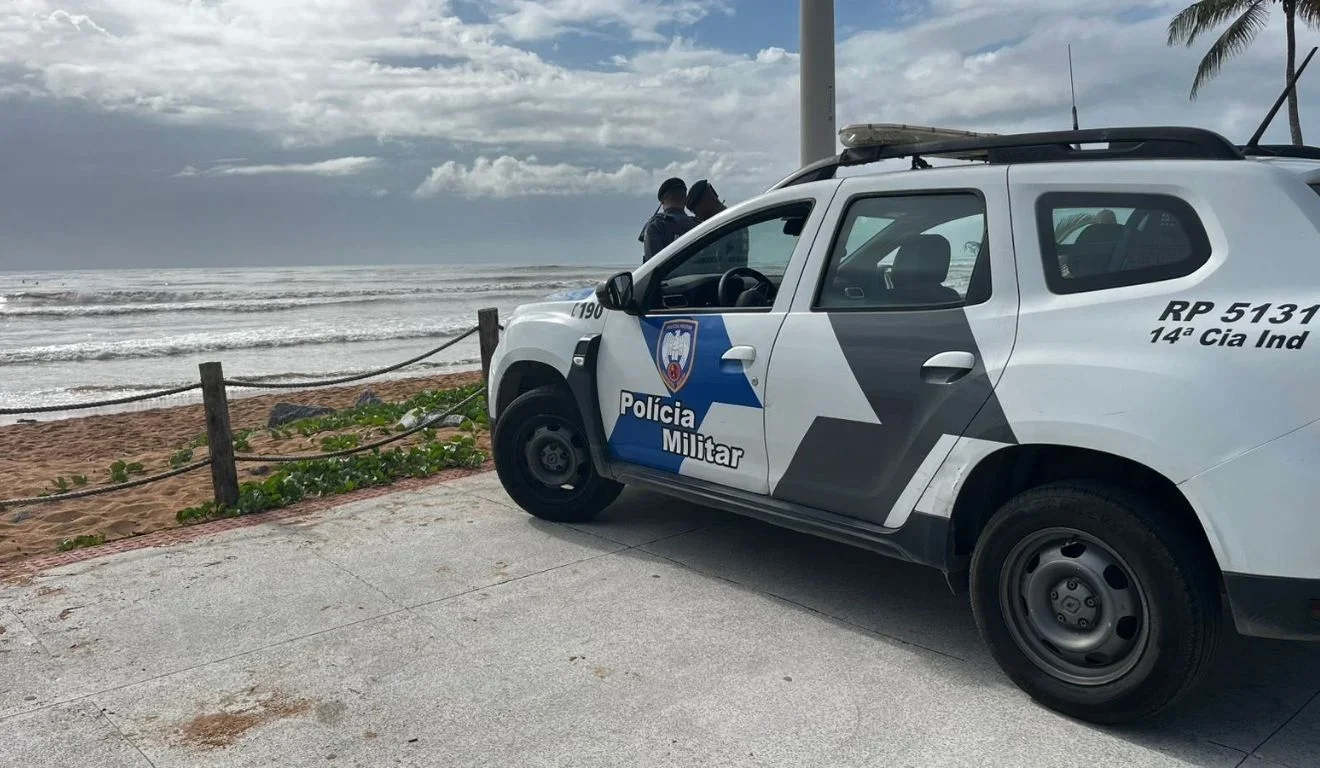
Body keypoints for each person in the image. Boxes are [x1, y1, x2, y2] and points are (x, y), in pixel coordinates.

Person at [686, 179, 748, 272]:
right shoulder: (728, 222)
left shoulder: (729, 224)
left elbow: (727, 266)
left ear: (705, 201)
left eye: (696, 211)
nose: (697, 216)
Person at [639, 177, 698, 263]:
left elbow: (653, 264)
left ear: (662, 201)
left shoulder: (655, 226)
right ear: (685, 199)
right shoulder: (699, 225)